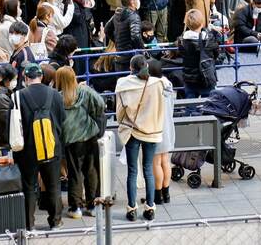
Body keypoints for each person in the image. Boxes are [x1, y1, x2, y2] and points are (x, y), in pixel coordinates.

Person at [113, 53, 165, 221]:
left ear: (130, 68)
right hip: (152, 130)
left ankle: (131, 209)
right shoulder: (158, 84)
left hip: (132, 130)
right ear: (147, 67)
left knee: (132, 171)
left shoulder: (122, 84)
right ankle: (150, 207)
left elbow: (119, 111)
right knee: (148, 169)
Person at [17, 61, 66, 229]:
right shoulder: (55, 95)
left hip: (27, 149)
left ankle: (29, 224)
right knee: (53, 184)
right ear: (41, 77)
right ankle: (55, 221)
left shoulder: (18, 96)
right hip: (52, 146)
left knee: (29, 186)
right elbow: (61, 120)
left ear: (25, 77)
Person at [56, 65, 105, 219]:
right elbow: (101, 104)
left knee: (75, 173)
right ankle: (93, 206)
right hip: (89, 136)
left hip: (71, 140)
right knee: (92, 171)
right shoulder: (85, 91)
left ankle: (75, 207)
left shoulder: (57, 97)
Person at [147, 60, 176, 207]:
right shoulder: (168, 84)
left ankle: (157, 195)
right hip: (168, 127)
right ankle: (167, 193)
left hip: (156, 128)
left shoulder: (153, 87)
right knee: (165, 161)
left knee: (156, 162)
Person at [179, 9, 220, 99]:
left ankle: (191, 113)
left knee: (190, 105)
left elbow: (181, 53)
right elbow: (216, 53)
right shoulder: (209, 39)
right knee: (208, 103)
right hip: (206, 75)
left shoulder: (182, 40)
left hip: (189, 78)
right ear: (202, 23)